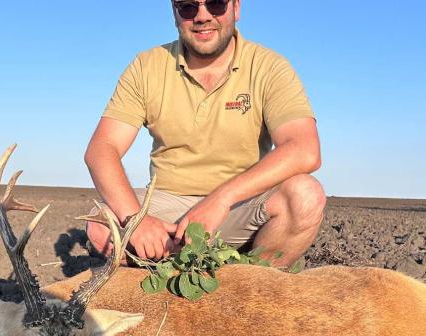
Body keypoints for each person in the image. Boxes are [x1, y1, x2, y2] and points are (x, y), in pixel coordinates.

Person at [84, 0, 324, 268]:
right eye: (188, 6)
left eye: (215, 4)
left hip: (239, 208)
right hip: (169, 206)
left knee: (305, 196)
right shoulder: (147, 66)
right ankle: (172, 275)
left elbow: (304, 149)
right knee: (101, 225)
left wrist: (222, 199)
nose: (202, 16)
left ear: (236, 8)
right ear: (174, 13)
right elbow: (102, 148)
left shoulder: (269, 67)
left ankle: (250, 281)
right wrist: (135, 220)